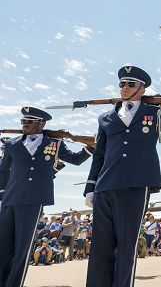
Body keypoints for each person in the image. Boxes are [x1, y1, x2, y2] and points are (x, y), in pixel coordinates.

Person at [83, 66, 161, 286]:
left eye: (130, 84)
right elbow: (99, 155)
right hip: (105, 186)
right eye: (122, 83)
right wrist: (90, 188)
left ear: (142, 88)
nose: (124, 88)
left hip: (136, 186)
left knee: (126, 246)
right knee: (101, 247)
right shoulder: (105, 117)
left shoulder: (155, 112)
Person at [0, 106, 93, 287]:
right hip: (10, 199)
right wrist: (2, 194)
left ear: (41, 124)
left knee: (22, 248)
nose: (25, 125)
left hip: (34, 200)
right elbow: (3, 171)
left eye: (30, 122)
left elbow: (75, 159)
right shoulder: (11, 144)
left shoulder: (54, 143)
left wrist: (90, 147)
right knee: (2, 245)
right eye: (23, 122)